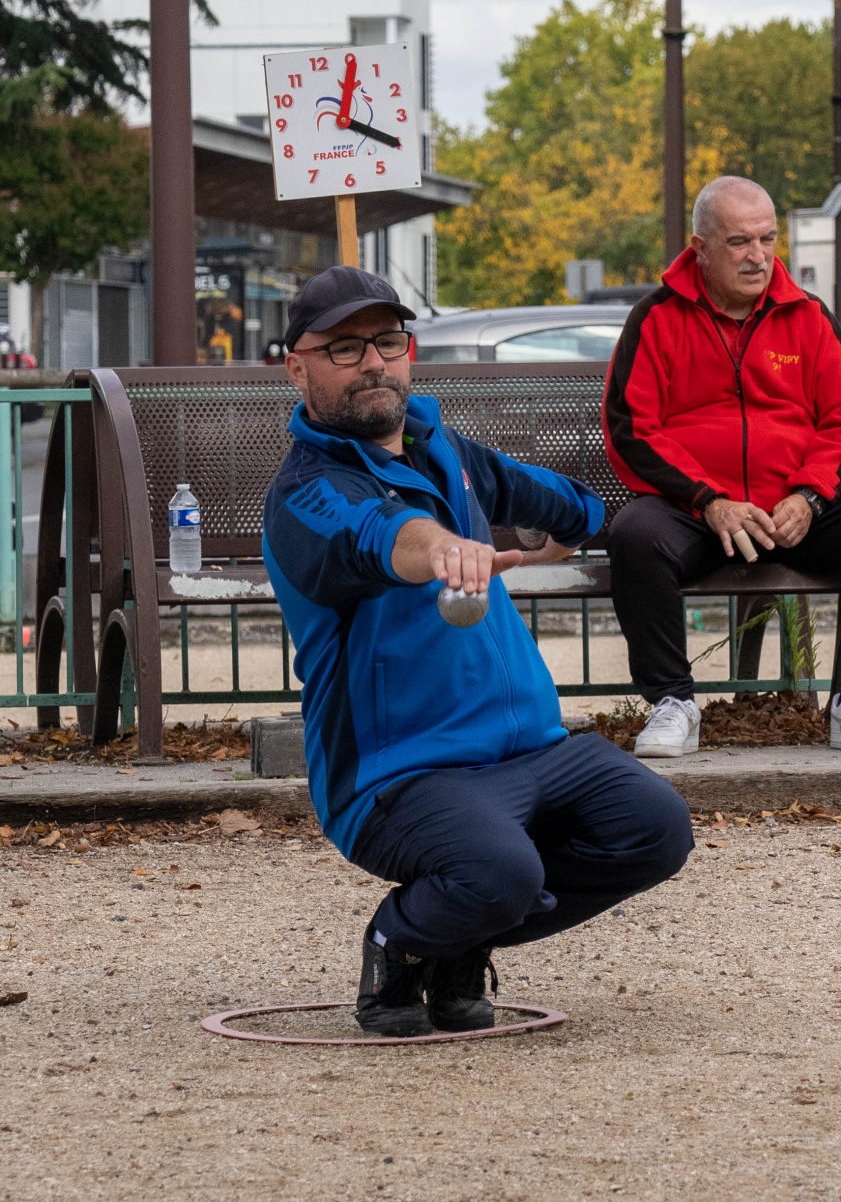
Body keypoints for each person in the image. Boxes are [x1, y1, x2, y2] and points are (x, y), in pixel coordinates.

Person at [263, 265, 693, 1037]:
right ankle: (400, 944)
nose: (372, 362)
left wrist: (548, 529)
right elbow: (379, 535)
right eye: (343, 348)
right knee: (501, 872)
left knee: (656, 824)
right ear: (295, 366)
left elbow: (571, 505)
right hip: (401, 775)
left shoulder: (443, 449)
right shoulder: (305, 489)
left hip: (531, 752)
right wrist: (442, 548)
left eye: (387, 341)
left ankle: (458, 936)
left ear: (408, 349)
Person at [603, 175, 841, 758]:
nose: (758, 256)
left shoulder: (809, 316)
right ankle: (673, 704)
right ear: (700, 248)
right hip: (702, 515)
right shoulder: (657, 317)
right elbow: (633, 429)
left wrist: (810, 497)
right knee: (635, 534)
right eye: (740, 241)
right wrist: (707, 500)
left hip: (798, 512)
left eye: (767, 238)